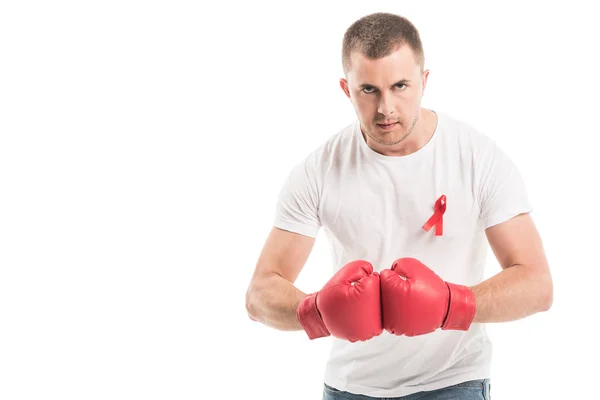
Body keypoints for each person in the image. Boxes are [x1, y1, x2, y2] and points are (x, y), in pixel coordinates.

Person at [245, 12, 553, 400]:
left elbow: (537, 284)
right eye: (369, 90)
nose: (386, 107)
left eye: (400, 85)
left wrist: (449, 306)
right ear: (346, 89)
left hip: (452, 382)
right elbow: (259, 295)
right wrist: (316, 313)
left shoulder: (477, 157)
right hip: (349, 388)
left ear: (424, 82)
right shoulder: (319, 170)